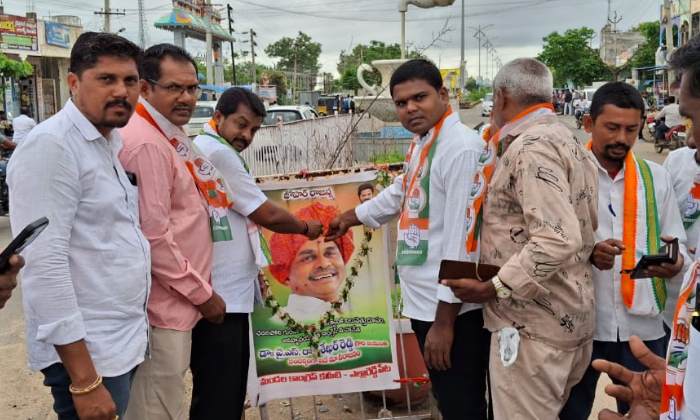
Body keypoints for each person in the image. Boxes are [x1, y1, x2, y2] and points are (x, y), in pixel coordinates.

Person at [326, 59, 490, 420]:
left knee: (463, 406)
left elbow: (464, 240)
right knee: (449, 402)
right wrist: (348, 218)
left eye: (420, 97)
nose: (410, 108)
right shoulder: (424, 143)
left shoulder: (460, 148)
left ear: (443, 95)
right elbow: (401, 192)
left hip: (451, 310)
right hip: (425, 301)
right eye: (401, 103)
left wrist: (444, 323)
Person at [440, 58, 598, 420]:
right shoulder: (567, 140)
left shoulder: (530, 148)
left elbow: (558, 239)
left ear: (501, 96)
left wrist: (496, 285)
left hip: (532, 333)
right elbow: (587, 224)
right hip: (569, 318)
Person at [7, 32, 150, 420]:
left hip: (118, 341)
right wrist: (85, 381)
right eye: (106, 79)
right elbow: (44, 267)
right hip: (89, 354)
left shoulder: (107, 141)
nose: (122, 91)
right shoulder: (52, 146)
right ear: (73, 82)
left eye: (130, 81)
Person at [189, 87, 323, 420]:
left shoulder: (208, 147)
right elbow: (266, 214)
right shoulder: (217, 154)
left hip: (225, 287)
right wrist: (308, 228)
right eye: (241, 124)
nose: (246, 135)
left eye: (253, 130)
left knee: (224, 389)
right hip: (222, 293)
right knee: (221, 393)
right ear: (218, 117)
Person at [560, 82, 690, 420]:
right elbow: (546, 244)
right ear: (589, 124)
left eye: (631, 129)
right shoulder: (568, 175)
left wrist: (674, 264)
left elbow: (674, 243)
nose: (622, 138)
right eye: (612, 127)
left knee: (647, 412)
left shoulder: (655, 177)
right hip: (580, 323)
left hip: (642, 328)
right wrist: (589, 253)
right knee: (569, 412)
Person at [118, 43, 226, 420]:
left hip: (176, 302)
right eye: (175, 88)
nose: (187, 98)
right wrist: (202, 294)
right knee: (158, 407)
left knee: (166, 400)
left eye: (192, 88)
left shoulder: (166, 134)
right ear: (145, 88)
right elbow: (154, 236)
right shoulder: (147, 142)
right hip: (166, 306)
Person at [269, 202, 354, 322]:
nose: (324, 264)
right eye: (308, 258)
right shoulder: (281, 323)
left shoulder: (356, 311)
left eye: (330, 253)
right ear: (286, 276)